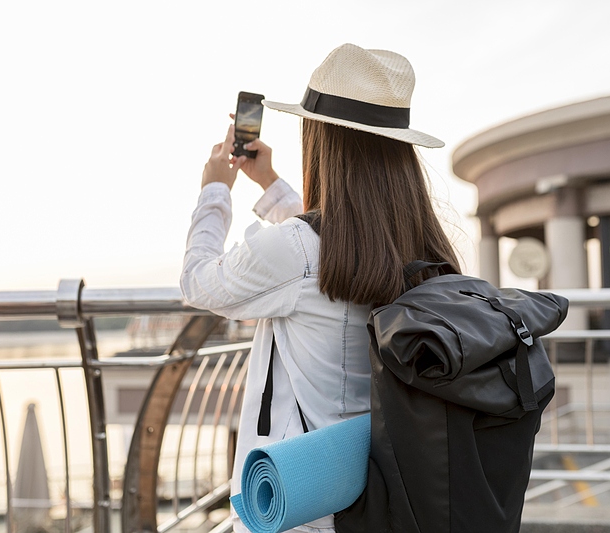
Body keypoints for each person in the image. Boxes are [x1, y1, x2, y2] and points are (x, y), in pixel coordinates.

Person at [180, 43, 459, 533]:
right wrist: (268, 182)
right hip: (386, 488)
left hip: (304, 497)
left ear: (320, 141)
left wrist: (215, 190)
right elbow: (331, 241)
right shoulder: (423, 243)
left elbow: (198, 282)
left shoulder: (299, 250)